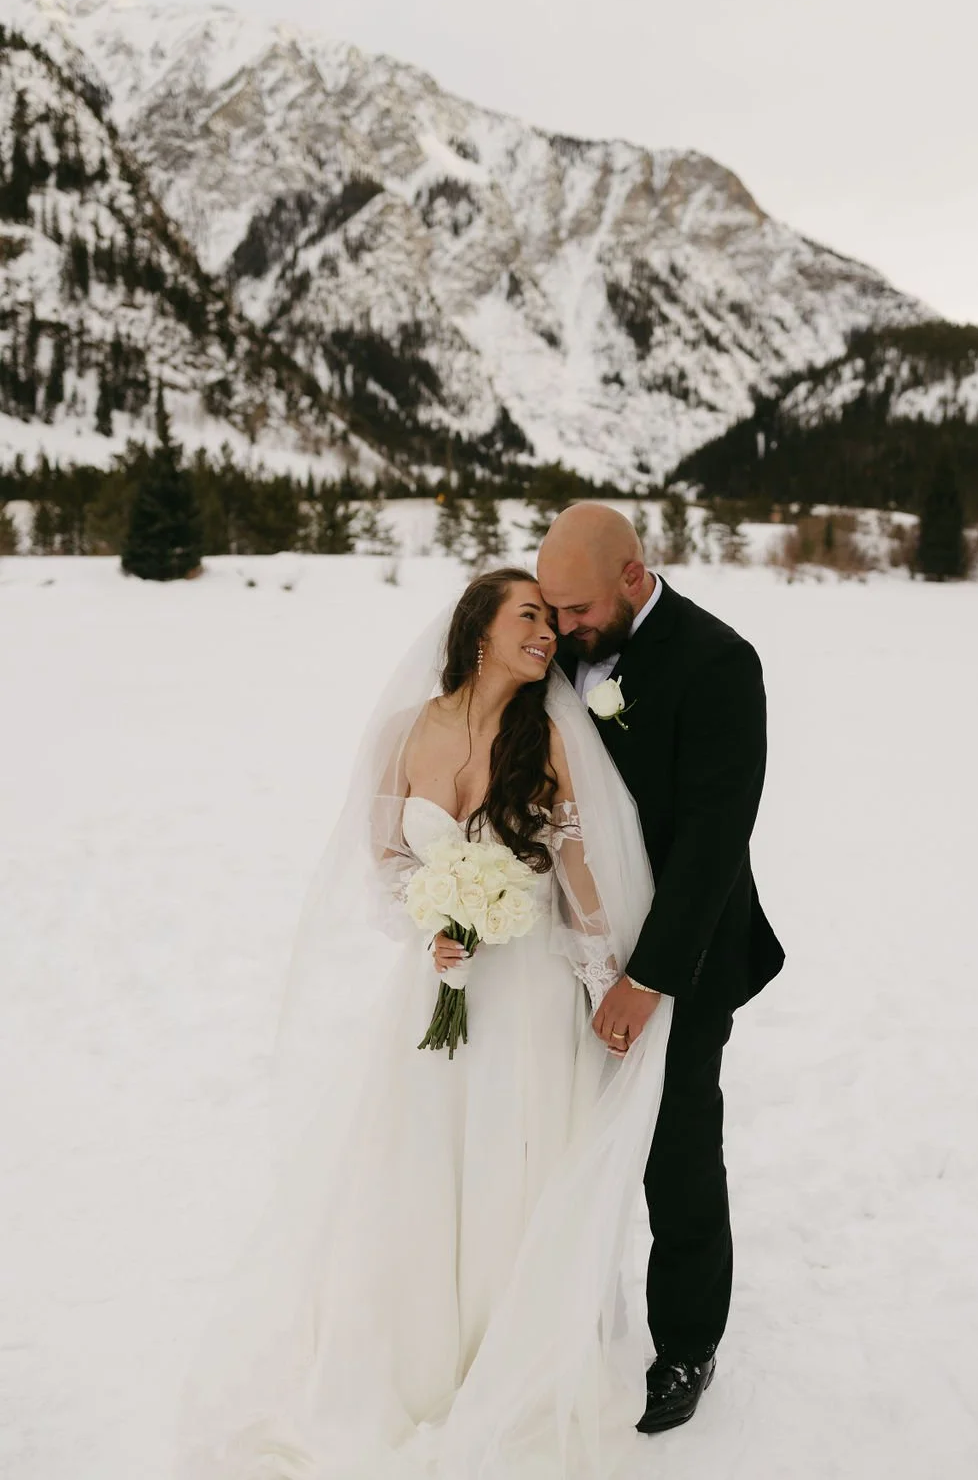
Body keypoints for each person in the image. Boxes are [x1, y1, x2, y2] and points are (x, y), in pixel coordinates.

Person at [177, 568, 675, 1480]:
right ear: (478, 628)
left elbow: (576, 874)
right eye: (529, 616)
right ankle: (412, 1352)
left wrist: (611, 982)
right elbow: (386, 858)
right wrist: (433, 921)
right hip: (435, 988)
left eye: (552, 623)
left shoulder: (550, 736)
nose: (547, 635)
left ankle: (501, 1347)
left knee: (511, 1155)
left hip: (524, 990)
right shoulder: (404, 733)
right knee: (422, 1157)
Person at [537, 503, 785, 1435]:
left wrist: (649, 980)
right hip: (568, 945)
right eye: (551, 610)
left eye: (576, 609)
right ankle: (563, 1312)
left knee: (675, 1150)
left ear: (635, 576)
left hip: (683, 955)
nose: (560, 629)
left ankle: (686, 1338)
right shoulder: (553, 645)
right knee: (559, 1130)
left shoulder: (720, 663)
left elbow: (715, 844)